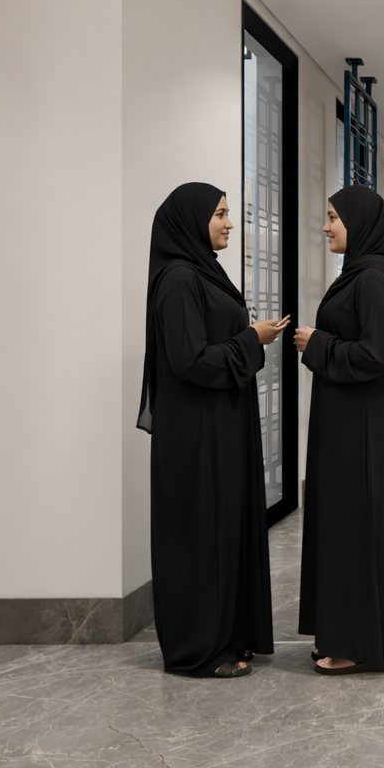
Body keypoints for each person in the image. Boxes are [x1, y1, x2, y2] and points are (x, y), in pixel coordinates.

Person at [137, 182, 290, 679]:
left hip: (218, 425)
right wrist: (252, 338)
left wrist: (247, 338)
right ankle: (196, 650)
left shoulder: (202, 272)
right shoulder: (180, 279)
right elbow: (189, 360)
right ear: (191, 220)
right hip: (197, 433)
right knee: (200, 534)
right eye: (221, 214)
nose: (229, 223)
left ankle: (224, 638)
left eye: (229, 214)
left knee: (222, 529)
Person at [292, 186, 384, 676]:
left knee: (354, 529)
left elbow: (377, 355)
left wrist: (318, 343)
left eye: (333, 218)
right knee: (342, 528)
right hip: (351, 424)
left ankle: (355, 643)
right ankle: (345, 631)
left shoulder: (372, 279)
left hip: (360, 432)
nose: (326, 226)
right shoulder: (364, 274)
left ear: (361, 222)